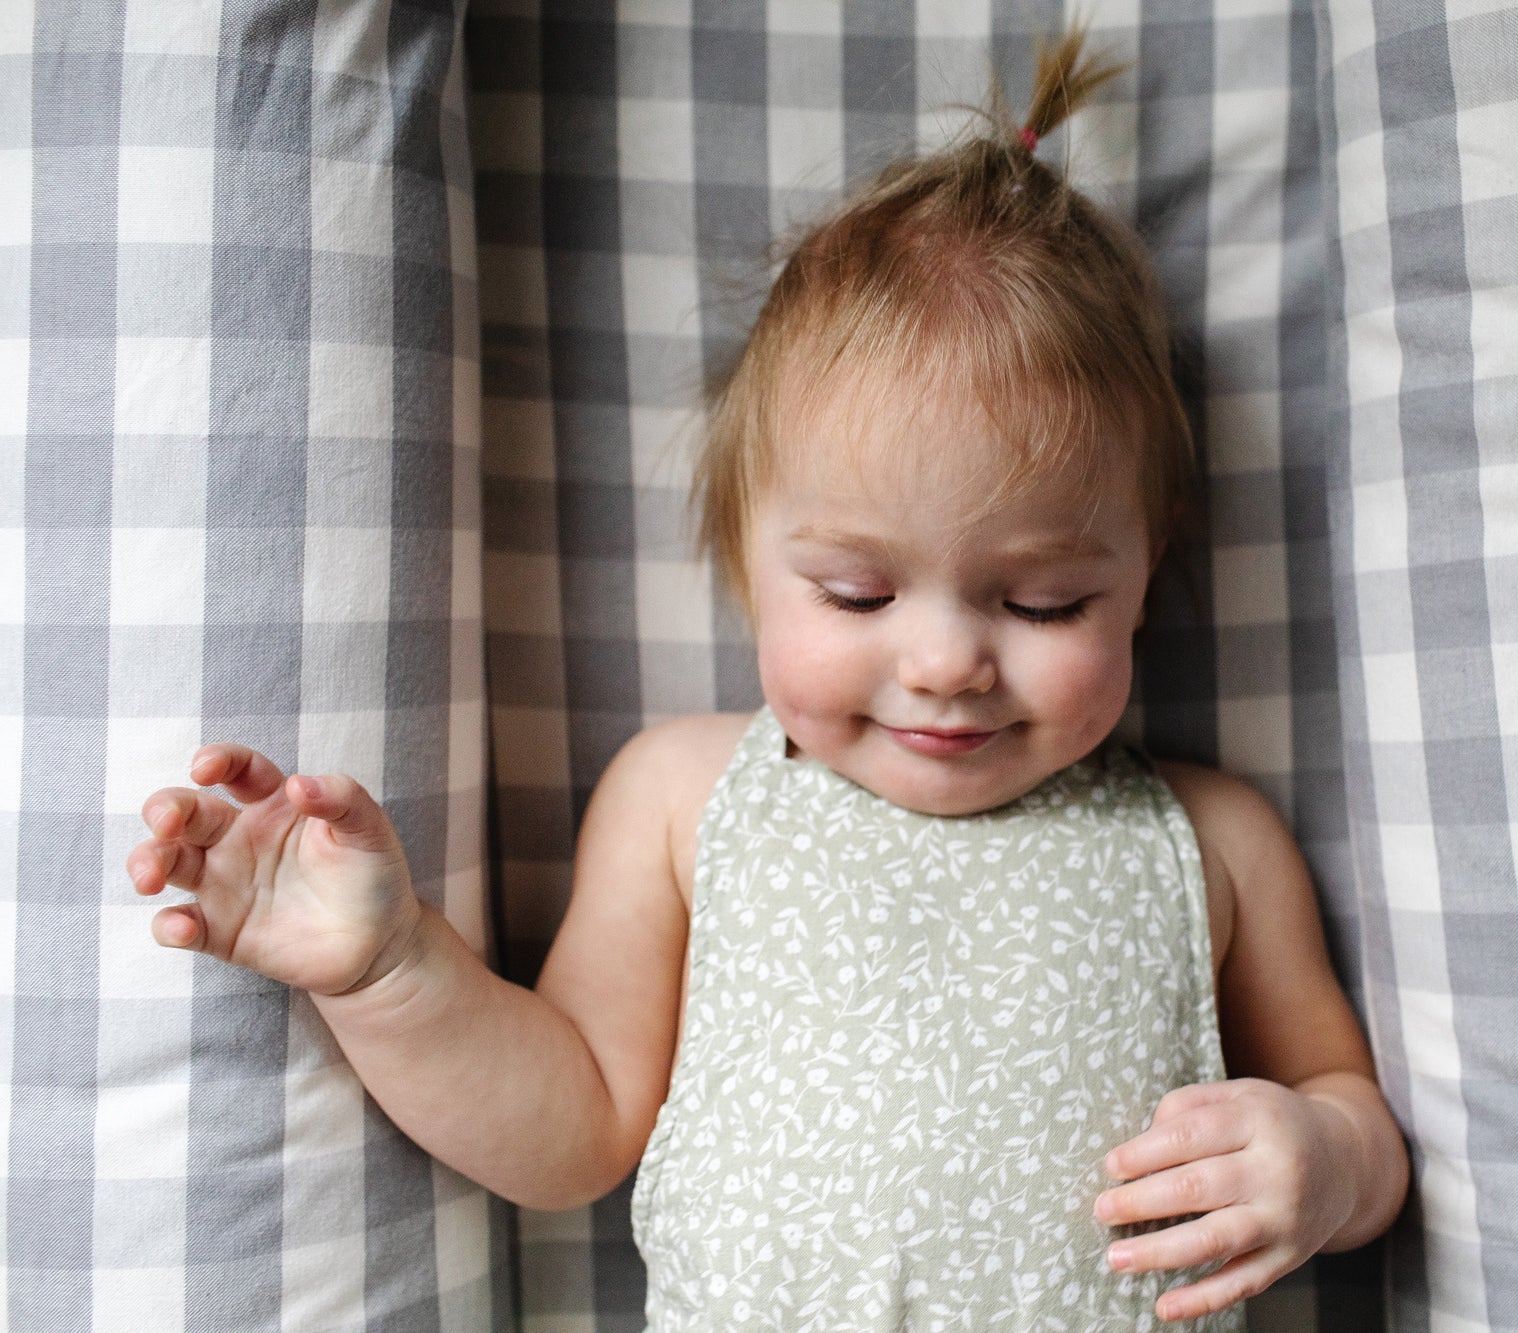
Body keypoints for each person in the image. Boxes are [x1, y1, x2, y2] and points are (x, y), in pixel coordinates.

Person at [125, 28, 1407, 1331]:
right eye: (857, 594)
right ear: (749, 558)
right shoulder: (685, 799)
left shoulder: (1211, 839)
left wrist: (1325, 1158)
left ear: (1146, 565)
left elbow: (1355, 1116)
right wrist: (387, 971)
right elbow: (572, 1127)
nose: (945, 664)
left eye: (1043, 602)